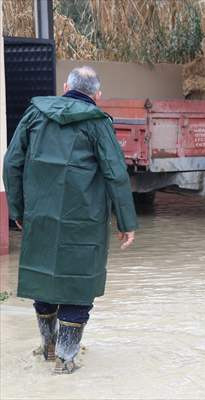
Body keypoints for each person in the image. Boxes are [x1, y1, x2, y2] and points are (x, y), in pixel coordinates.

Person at [3, 66, 138, 374]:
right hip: (85, 220)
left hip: (41, 216)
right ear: (98, 95)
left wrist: (18, 211)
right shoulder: (97, 122)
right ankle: (66, 358)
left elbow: (11, 162)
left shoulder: (35, 114)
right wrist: (126, 222)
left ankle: (48, 347)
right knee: (78, 284)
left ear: (65, 86)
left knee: (44, 278)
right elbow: (115, 173)